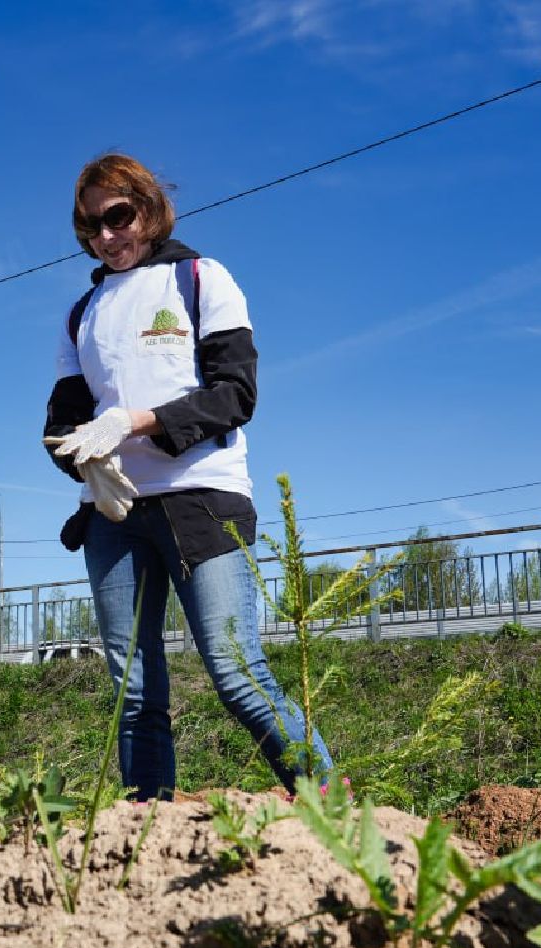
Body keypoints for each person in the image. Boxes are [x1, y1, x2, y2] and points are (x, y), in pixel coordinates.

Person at [43, 153, 332, 801]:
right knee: (133, 690)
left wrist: (133, 422)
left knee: (236, 672)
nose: (105, 236)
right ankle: (146, 833)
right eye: (89, 227)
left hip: (203, 505)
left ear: (147, 209)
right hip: (115, 518)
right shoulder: (79, 314)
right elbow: (60, 423)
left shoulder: (200, 279)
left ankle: (333, 812)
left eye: (117, 217)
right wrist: (83, 458)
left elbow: (235, 394)